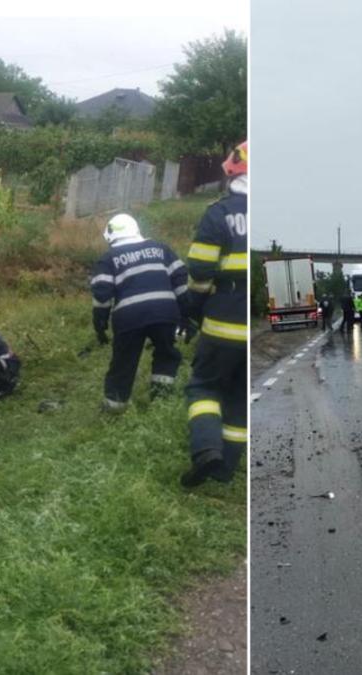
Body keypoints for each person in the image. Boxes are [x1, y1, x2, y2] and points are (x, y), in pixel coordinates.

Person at [182, 140, 248, 487]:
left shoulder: (219, 213)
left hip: (224, 319)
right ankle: (225, 471)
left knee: (204, 387)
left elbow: (200, 269)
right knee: (239, 397)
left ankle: (207, 449)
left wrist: (193, 308)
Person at [90, 213, 187, 411]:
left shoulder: (108, 258)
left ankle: (114, 406)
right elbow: (180, 279)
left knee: (124, 361)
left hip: (129, 318)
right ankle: (161, 400)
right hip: (165, 312)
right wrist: (186, 315)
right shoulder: (161, 249)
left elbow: (102, 295)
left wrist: (100, 325)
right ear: (136, 230)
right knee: (166, 353)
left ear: (110, 237)